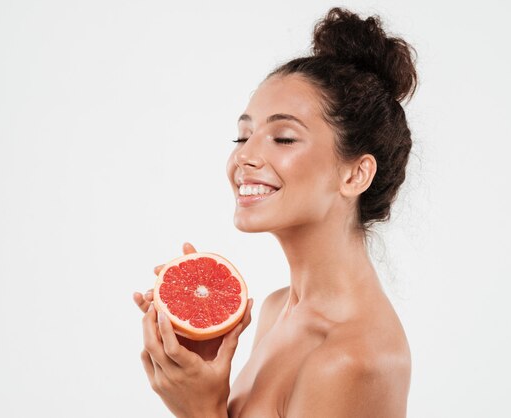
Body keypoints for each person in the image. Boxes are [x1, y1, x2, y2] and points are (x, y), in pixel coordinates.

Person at [132, 6, 417, 417]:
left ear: (356, 174)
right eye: (243, 135)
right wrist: (203, 362)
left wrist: (199, 411)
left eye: (283, 138)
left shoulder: (354, 360)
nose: (245, 155)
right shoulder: (277, 310)